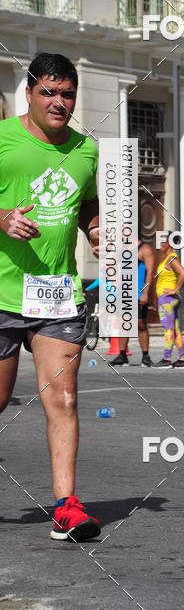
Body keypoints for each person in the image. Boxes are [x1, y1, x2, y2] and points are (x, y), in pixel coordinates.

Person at [0, 53, 101, 542]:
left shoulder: (86, 150)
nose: (59, 102)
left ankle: (66, 506)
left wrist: (98, 227)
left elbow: (87, 204)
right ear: (29, 93)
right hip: (1, 292)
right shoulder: (3, 140)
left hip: (58, 294)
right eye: (49, 93)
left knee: (63, 397)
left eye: (67, 94)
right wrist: (2, 219)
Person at [109, 238, 155, 367]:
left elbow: (150, 273)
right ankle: (122, 355)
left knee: (141, 324)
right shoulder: (121, 248)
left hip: (138, 293)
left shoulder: (144, 249)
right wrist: (114, 280)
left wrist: (145, 293)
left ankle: (145, 356)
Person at [153, 238, 184, 369]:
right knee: (176, 329)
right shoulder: (169, 258)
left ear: (170, 243)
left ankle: (166, 359)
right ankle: (182, 360)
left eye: (163, 242)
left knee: (168, 329)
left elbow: (183, 273)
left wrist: (175, 289)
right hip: (172, 299)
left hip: (167, 298)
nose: (160, 244)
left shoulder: (170, 258)